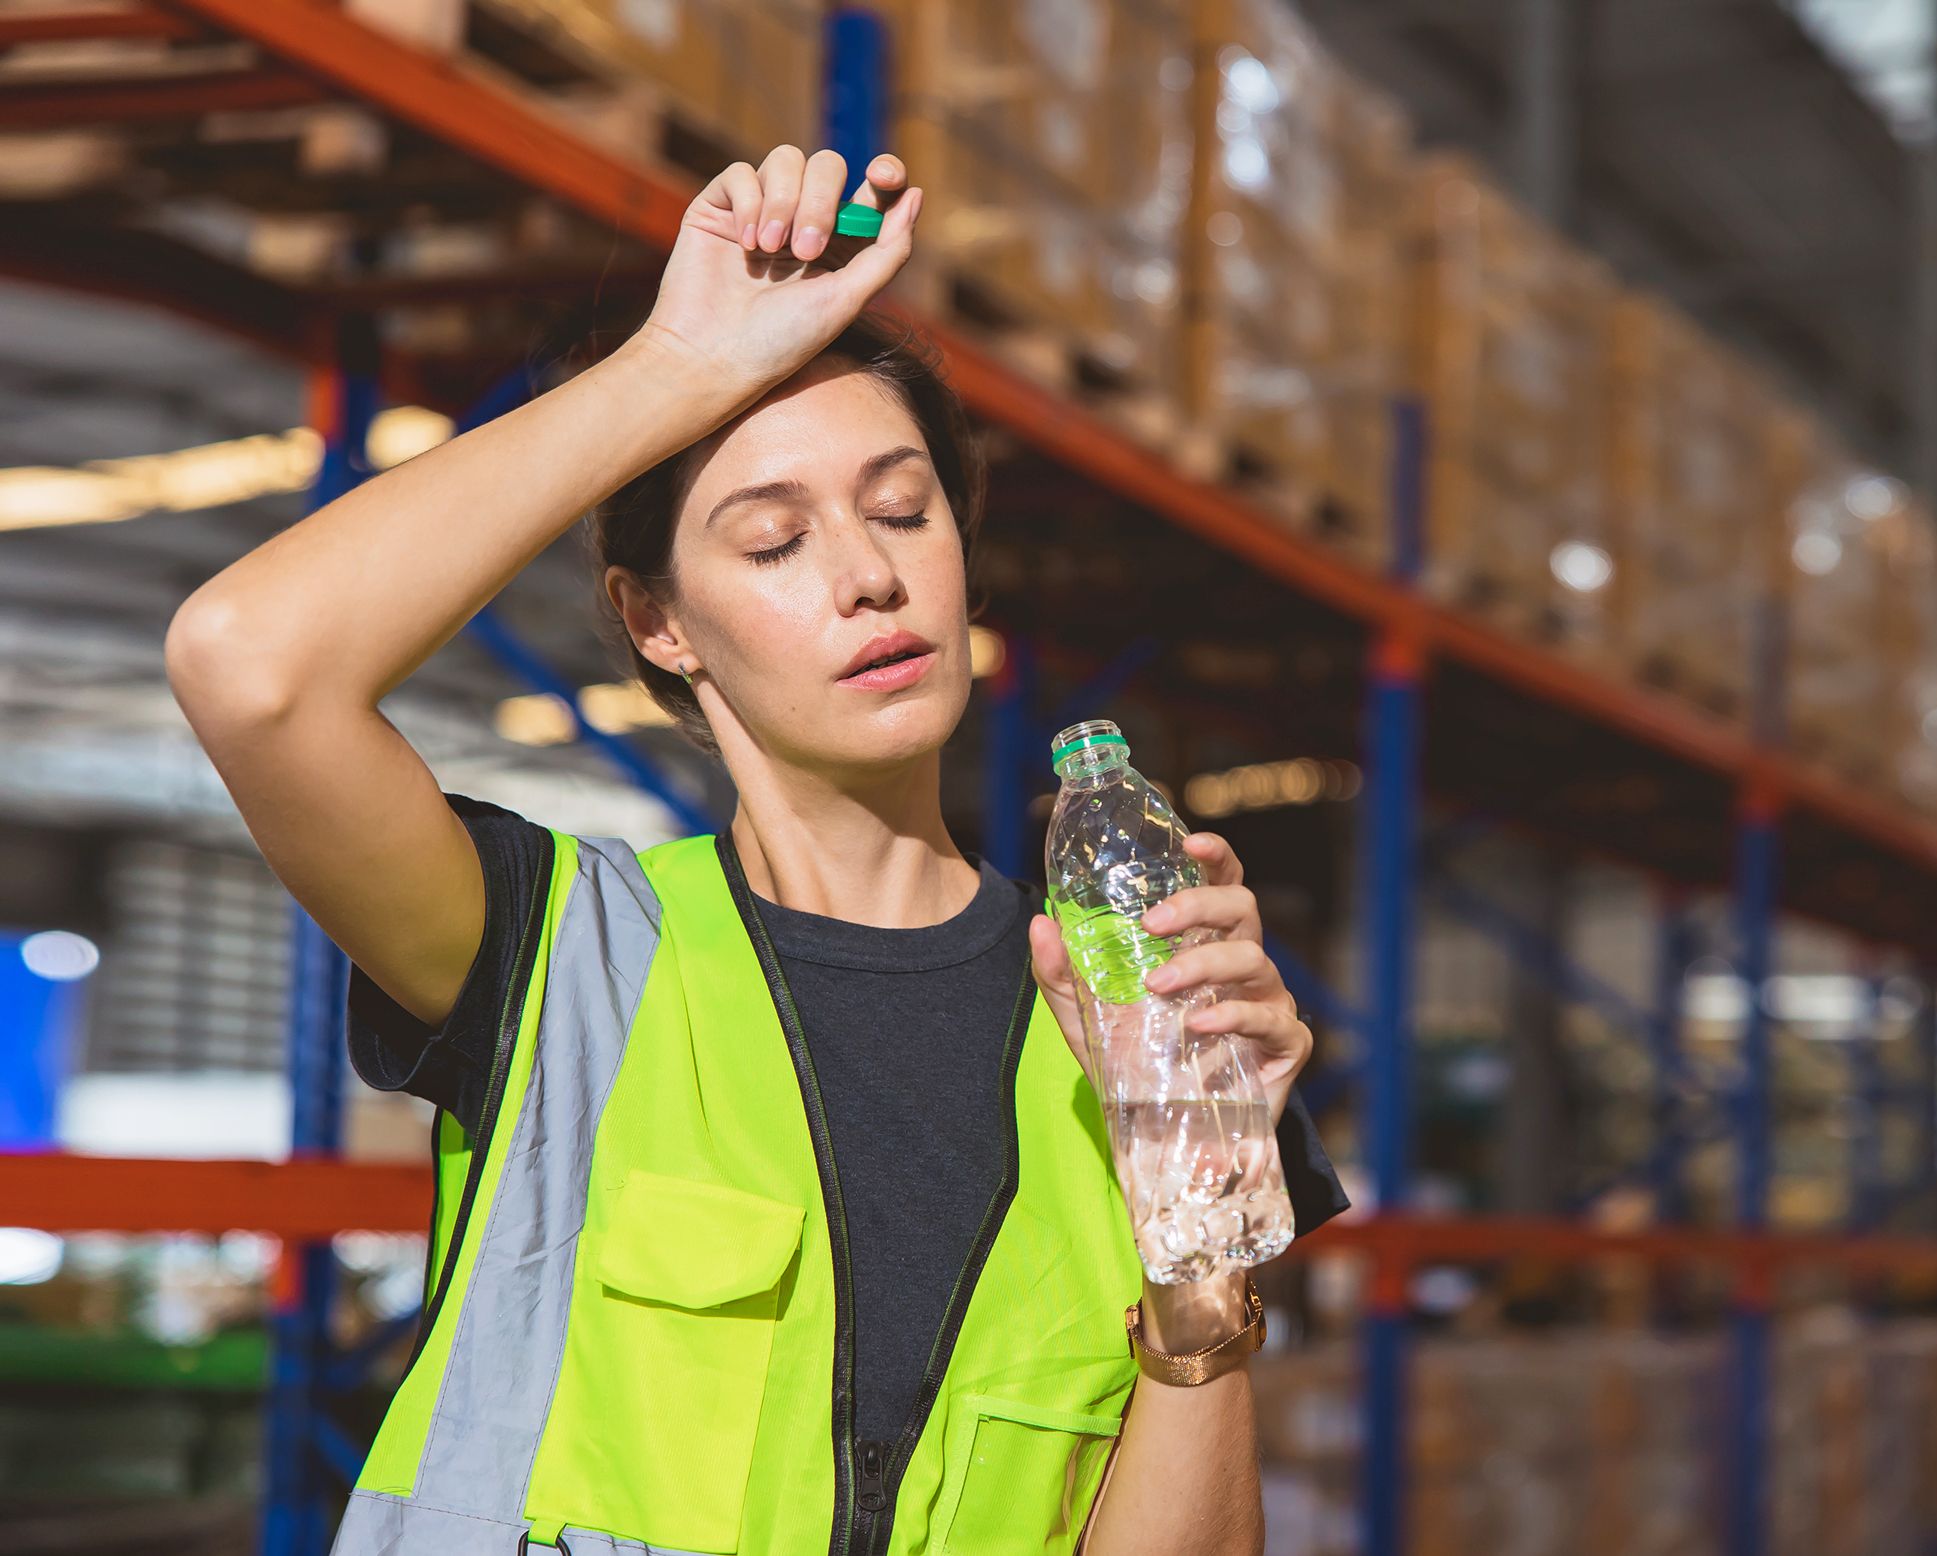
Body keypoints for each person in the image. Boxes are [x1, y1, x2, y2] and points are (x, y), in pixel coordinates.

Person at [167, 145, 1341, 1556]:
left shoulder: (1130, 1028)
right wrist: (681, 362)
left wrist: (1196, 1237)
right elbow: (252, 669)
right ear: (656, 620)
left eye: (906, 510)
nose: (869, 573)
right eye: (775, 539)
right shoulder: (553, 955)